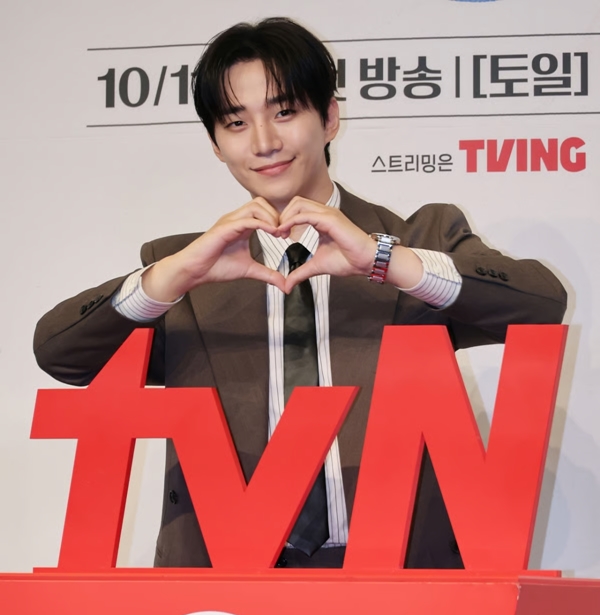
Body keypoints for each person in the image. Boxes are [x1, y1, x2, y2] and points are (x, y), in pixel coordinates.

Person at [34, 17, 567, 570]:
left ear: (329, 118)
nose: (264, 142)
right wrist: (170, 278)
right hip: (227, 593)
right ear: (216, 144)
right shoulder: (186, 271)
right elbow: (61, 354)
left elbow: (541, 305)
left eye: (284, 112)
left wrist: (384, 259)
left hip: (401, 579)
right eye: (236, 122)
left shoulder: (417, 240)